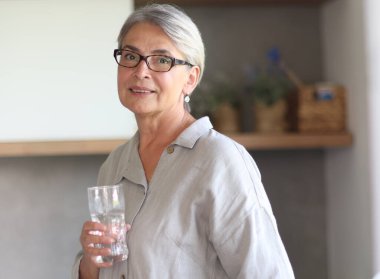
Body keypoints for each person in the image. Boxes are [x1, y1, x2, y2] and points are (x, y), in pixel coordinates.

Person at [72, 4, 295, 279]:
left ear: (191, 78)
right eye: (131, 55)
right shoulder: (114, 165)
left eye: (162, 60)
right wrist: (89, 263)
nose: (141, 71)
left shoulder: (220, 160)